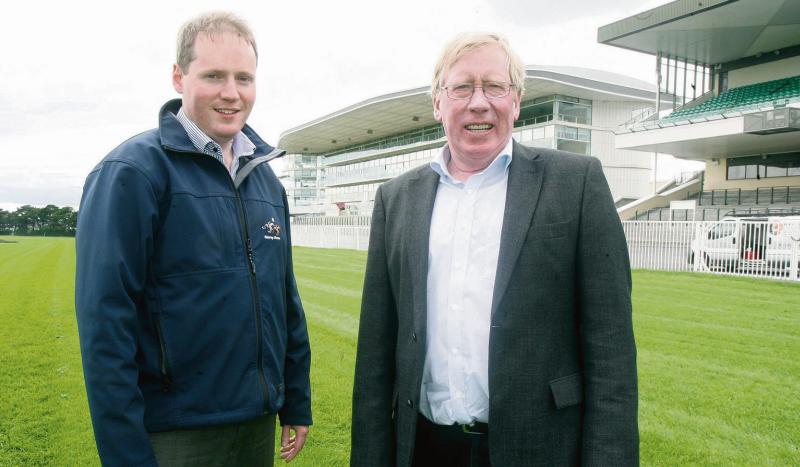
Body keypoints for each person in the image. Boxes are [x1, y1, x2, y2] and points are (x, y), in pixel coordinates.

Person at [351, 32, 638, 466]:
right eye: (462, 87)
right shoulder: (397, 199)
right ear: (437, 103)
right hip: (426, 449)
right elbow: (375, 355)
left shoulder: (576, 184)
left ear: (516, 101)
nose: (478, 102)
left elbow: (611, 350)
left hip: (540, 449)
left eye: (495, 86)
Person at [75, 11, 311, 466]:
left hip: (255, 425)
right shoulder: (132, 173)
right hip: (175, 434)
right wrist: (125, 453)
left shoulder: (267, 183)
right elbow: (105, 324)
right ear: (179, 76)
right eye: (213, 75)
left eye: (244, 77)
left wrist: (295, 399)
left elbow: (285, 299)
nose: (231, 92)